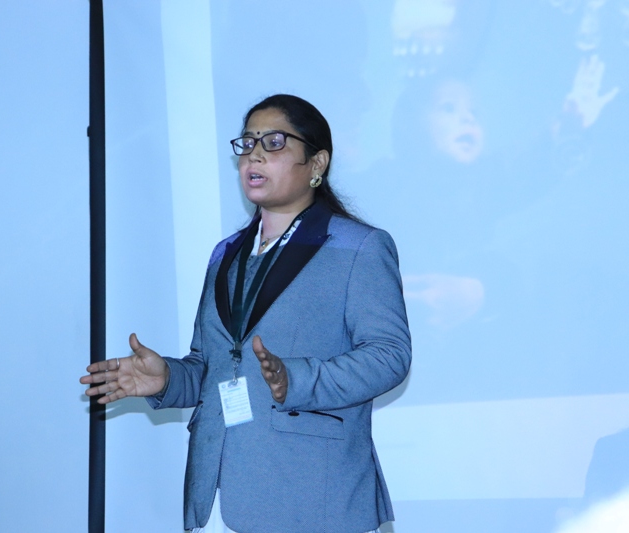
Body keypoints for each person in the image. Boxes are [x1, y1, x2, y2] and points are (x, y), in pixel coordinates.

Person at [80, 94, 412, 533]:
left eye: (274, 142)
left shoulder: (359, 247)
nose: (254, 154)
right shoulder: (226, 255)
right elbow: (214, 366)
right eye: (248, 142)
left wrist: (297, 379)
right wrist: (167, 379)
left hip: (313, 498)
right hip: (217, 495)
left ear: (317, 163)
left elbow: (389, 356)